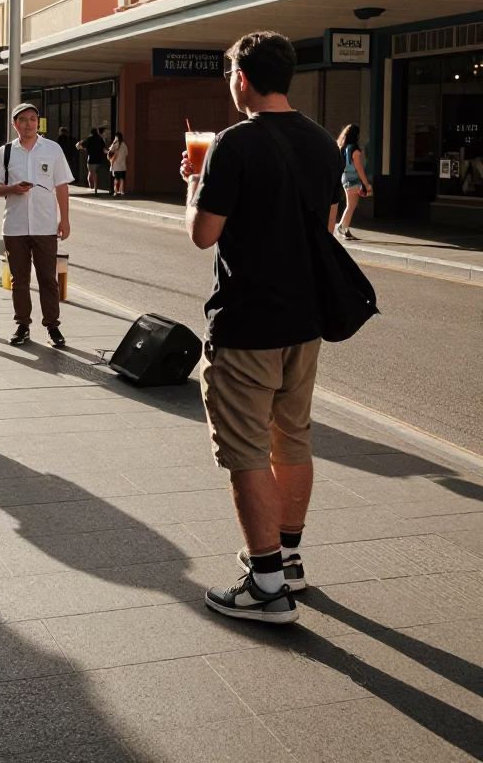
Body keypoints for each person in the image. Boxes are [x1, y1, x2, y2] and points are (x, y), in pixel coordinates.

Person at [182, 31, 344, 625]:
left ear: (243, 79)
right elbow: (324, 229)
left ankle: (266, 585)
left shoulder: (234, 144)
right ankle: (291, 560)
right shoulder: (325, 144)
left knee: (246, 449)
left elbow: (203, 234)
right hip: (306, 319)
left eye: (231, 76)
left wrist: (195, 182)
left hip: (249, 320)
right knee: (292, 436)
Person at [0, 104, 72, 347]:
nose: (28, 124)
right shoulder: (5, 152)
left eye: (33, 119)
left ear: (38, 122)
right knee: (19, 280)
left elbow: (62, 186)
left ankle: (53, 327)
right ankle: (22, 325)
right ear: (15, 124)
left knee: (48, 278)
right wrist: (12, 189)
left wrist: (64, 220)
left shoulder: (52, 149)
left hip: (45, 225)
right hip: (14, 227)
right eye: (23, 120)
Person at [335, 124, 371, 241]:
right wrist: (366, 183)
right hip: (353, 179)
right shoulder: (354, 149)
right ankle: (341, 227)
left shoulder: (342, 147)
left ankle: (344, 228)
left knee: (349, 205)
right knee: (351, 206)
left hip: (344, 177)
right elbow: (359, 168)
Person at [77, 127, 108, 194]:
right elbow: (104, 149)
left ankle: (91, 185)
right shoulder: (100, 139)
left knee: (91, 172)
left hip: (91, 158)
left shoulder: (89, 139)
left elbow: (81, 145)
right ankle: (95, 186)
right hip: (99, 158)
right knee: (96, 173)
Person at [107, 131, 128, 196]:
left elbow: (109, 152)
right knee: (122, 179)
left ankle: (116, 191)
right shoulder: (124, 145)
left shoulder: (115, 144)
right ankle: (121, 191)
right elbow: (126, 153)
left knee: (116, 179)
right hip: (122, 165)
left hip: (116, 165)